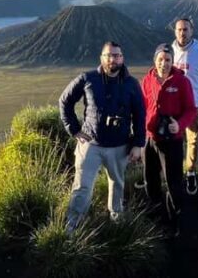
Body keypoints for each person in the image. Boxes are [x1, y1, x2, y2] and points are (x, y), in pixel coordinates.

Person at [59, 41, 146, 231]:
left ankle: (116, 221)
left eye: (116, 55)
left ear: (122, 58)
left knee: (117, 184)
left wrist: (139, 143)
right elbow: (64, 101)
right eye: (108, 55)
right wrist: (74, 129)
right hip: (90, 144)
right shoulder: (88, 78)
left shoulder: (131, 84)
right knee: (82, 187)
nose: (112, 59)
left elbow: (140, 114)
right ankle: (72, 227)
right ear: (101, 58)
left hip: (119, 146)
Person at [140, 43, 197, 235]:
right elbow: (142, 107)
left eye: (167, 60)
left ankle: (175, 219)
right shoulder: (147, 80)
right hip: (150, 139)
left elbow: (190, 110)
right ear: (154, 60)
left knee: (173, 182)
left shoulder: (182, 82)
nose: (163, 63)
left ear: (173, 61)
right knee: (151, 179)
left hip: (172, 141)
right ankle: (156, 215)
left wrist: (179, 125)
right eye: (160, 59)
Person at [171, 18, 198, 195]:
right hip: (173, 106)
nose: (183, 33)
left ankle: (190, 172)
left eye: (186, 29)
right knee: (172, 140)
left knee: (193, 141)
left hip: (194, 107)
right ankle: (173, 173)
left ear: (192, 31)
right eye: (179, 29)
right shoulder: (169, 52)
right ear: (175, 31)